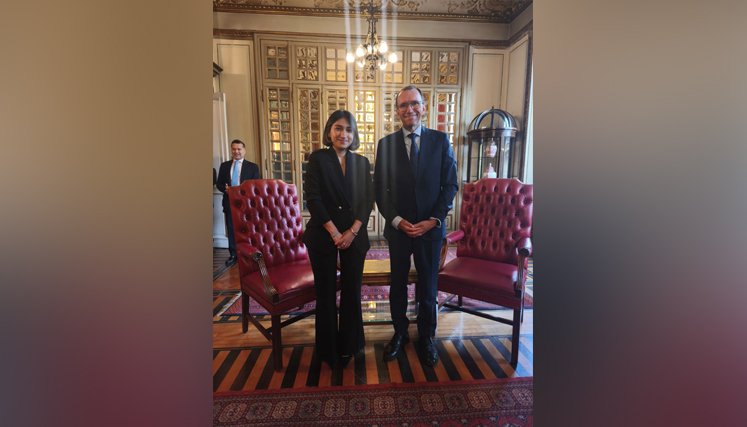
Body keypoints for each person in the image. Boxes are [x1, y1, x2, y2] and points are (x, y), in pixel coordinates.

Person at [374, 85, 458, 367]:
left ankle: (426, 337)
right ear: (397, 111)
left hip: (430, 230)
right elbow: (380, 189)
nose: (409, 109)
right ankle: (399, 333)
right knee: (397, 285)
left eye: (414, 103)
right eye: (403, 105)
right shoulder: (386, 145)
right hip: (399, 230)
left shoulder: (440, 141)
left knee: (428, 287)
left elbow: (450, 185)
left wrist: (433, 220)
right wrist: (397, 221)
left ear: (424, 107)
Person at [303, 110, 374, 368]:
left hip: (354, 234)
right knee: (325, 293)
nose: (344, 134)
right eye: (338, 128)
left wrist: (352, 231)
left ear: (354, 134)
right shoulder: (317, 159)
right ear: (329, 131)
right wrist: (334, 232)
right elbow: (313, 198)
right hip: (324, 234)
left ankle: (350, 345)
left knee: (352, 291)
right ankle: (328, 350)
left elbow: (368, 200)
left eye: (349, 129)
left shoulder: (362, 162)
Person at [216, 139, 261, 266]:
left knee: (248, 230)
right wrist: (225, 190)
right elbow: (219, 184)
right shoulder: (224, 166)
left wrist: (243, 192)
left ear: (244, 150)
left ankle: (249, 255)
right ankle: (233, 255)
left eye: (239, 149)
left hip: (246, 204)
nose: (236, 151)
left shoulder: (252, 167)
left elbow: (255, 186)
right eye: (234, 149)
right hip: (229, 202)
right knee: (231, 229)